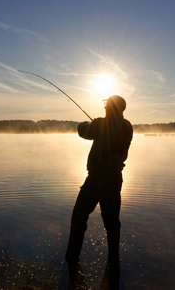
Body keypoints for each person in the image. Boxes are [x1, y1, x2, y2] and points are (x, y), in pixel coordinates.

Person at [65, 95, 133, 285]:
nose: (104, 108)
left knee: (78, 218)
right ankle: (113, 261)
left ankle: (71, 258)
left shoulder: (100, 124)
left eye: (106, 105)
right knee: (112, 224)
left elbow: (82, 131)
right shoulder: (128, 127)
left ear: (111, 108)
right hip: (114, 181)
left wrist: (86, 122)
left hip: (95, 181)